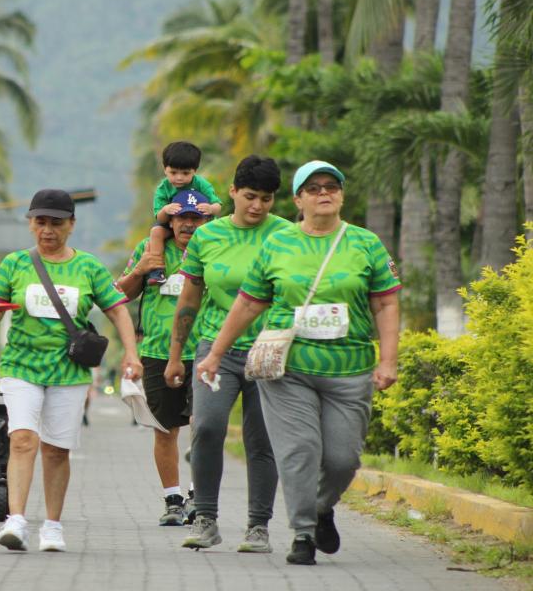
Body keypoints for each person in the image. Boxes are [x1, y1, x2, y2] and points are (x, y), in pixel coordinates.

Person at [195, 160, 401, 566]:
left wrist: (388, 360)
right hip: (289, 371)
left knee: (343, 458)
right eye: (313, 188)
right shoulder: (278, 244)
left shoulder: (365, 243)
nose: (324, 192)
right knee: (299, 451)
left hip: (350, 368)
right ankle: (303, 533)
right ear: (298, 199)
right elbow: (249, 302)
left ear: (341, 195)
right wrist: (216, 353)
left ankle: (323, 508)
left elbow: (386, 302)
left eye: (332, 186)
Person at [0, 189, 144, 552]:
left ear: (71, 225)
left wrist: (130, 354)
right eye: (40, 222)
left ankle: (53, 526)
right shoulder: (15, 264)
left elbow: (117, 309)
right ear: (30, 224)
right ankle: (17, 520)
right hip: (21, 366)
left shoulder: (88, 267)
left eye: (56, 223)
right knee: (22, 439)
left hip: (68, 372)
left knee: (57, 450)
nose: (48, 230)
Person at [165, 156, 290, 553]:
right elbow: (189, 297)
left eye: (266, 199)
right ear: (232, 192)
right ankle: (205, 519)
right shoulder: (207, 236)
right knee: (206, 428)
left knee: (261, 440)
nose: (257, 206)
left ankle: (258, 527)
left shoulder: (288, 236)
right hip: (215, 350)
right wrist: (175, 355)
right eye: (250, 196)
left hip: (270, 352)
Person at [117, 189, 211, 526]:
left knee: (205, 428)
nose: (188, 224)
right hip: (157, 351)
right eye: (181, 218)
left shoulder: (215, 249)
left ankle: (199, 497)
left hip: (205, 351)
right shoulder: (150, 248)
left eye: (195, 218)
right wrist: (140, 270)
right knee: (165, 429)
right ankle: (173, 500)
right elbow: (119, 295)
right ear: (169, 220)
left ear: (206, 220)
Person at [145, 141, 222, 285]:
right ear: (164, 169)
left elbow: (218, 205)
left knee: (219, 234)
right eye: (173, 173)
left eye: (185, 173)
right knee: (156, 232)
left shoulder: (201, 184)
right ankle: (157, 270)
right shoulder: (163, 188)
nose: (179, 178)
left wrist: (211, 209)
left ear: (195, 171)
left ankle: (214, 268)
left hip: (203, 222)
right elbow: (160, 218)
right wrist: (166, 210)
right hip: (172, 223)